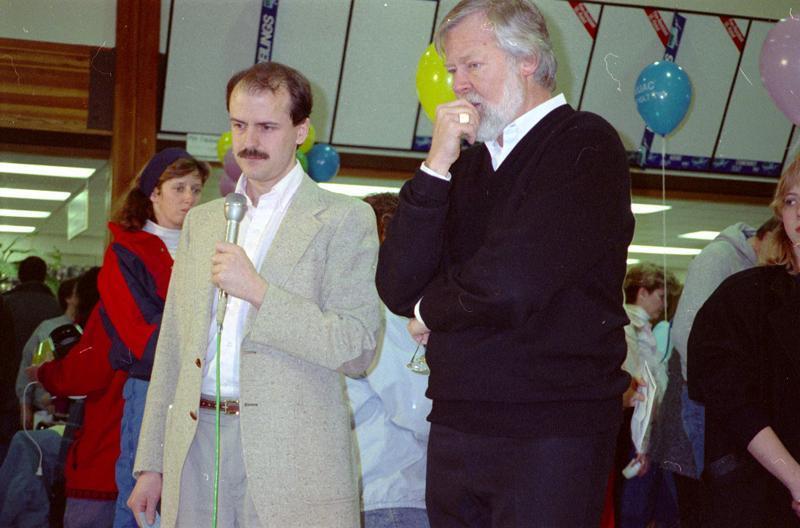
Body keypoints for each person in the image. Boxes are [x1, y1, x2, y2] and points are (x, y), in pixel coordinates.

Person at [375, 1, 634, 525]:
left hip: (551, 427)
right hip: (455, 419)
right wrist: (435, 166)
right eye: (452, 70)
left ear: (528, 60)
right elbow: (397, 284)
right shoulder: (463, 165)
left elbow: (512, 280)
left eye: (473, 65)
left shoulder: (584, 143)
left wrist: (431, 311)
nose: (459, 84)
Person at [128, 61, 380, 528]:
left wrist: (261, 292)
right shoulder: (203, 222)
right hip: (194, 441)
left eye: (267, 127)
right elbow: (172, 351)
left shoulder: (344, 219)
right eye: (239, 125)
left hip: (293, 455)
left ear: (302, 129)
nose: (249, 141)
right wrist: (151, 464)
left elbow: (358, 347)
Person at [97, 148, 208, 528]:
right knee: (141, 500)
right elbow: (136, 335)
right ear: (153, 193)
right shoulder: (125, 252)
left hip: (201, 386)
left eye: (196, 188)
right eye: (179, 188)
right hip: (150, 387)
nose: (190, 198)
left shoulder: (210, 249)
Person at [688, 158, 800, 526]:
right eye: (792, 200)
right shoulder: (745, 296)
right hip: (759, 498)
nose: (799, 213)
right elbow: (730, 398)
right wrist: (795, 479)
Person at [670, 218, 776, 526]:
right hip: (705, 400)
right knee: (717, 487)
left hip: (725, 399)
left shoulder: (750, 267)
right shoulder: (719, 258)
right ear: (768, 235)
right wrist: (710, 389)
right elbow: (687, 333)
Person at [348, 193, 432, 528]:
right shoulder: (383, 309)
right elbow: (418, 409)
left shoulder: (346, 303)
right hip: (391, 494)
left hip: (363, 491)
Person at [616, 263, 680, 528]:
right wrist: (641, 444)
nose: (663, 304)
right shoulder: (629, 329)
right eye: (661, 296)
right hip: (635, 429)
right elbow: (637, 390)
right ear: (642, 292)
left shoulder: (644, 330)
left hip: (643, 429)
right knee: (635, 509)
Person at [0, 256, 62, 460]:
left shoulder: (7, 303)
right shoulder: (56, 308)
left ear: (20, 276)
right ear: (44, 276)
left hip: (7, 389)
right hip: (42, 395)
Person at [15, 277, 78, 430]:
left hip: (74, 411)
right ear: (68, 298)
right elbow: (27, 364)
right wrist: (25, 407)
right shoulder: (47, 328)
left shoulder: (90, 328)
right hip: (44, 410)